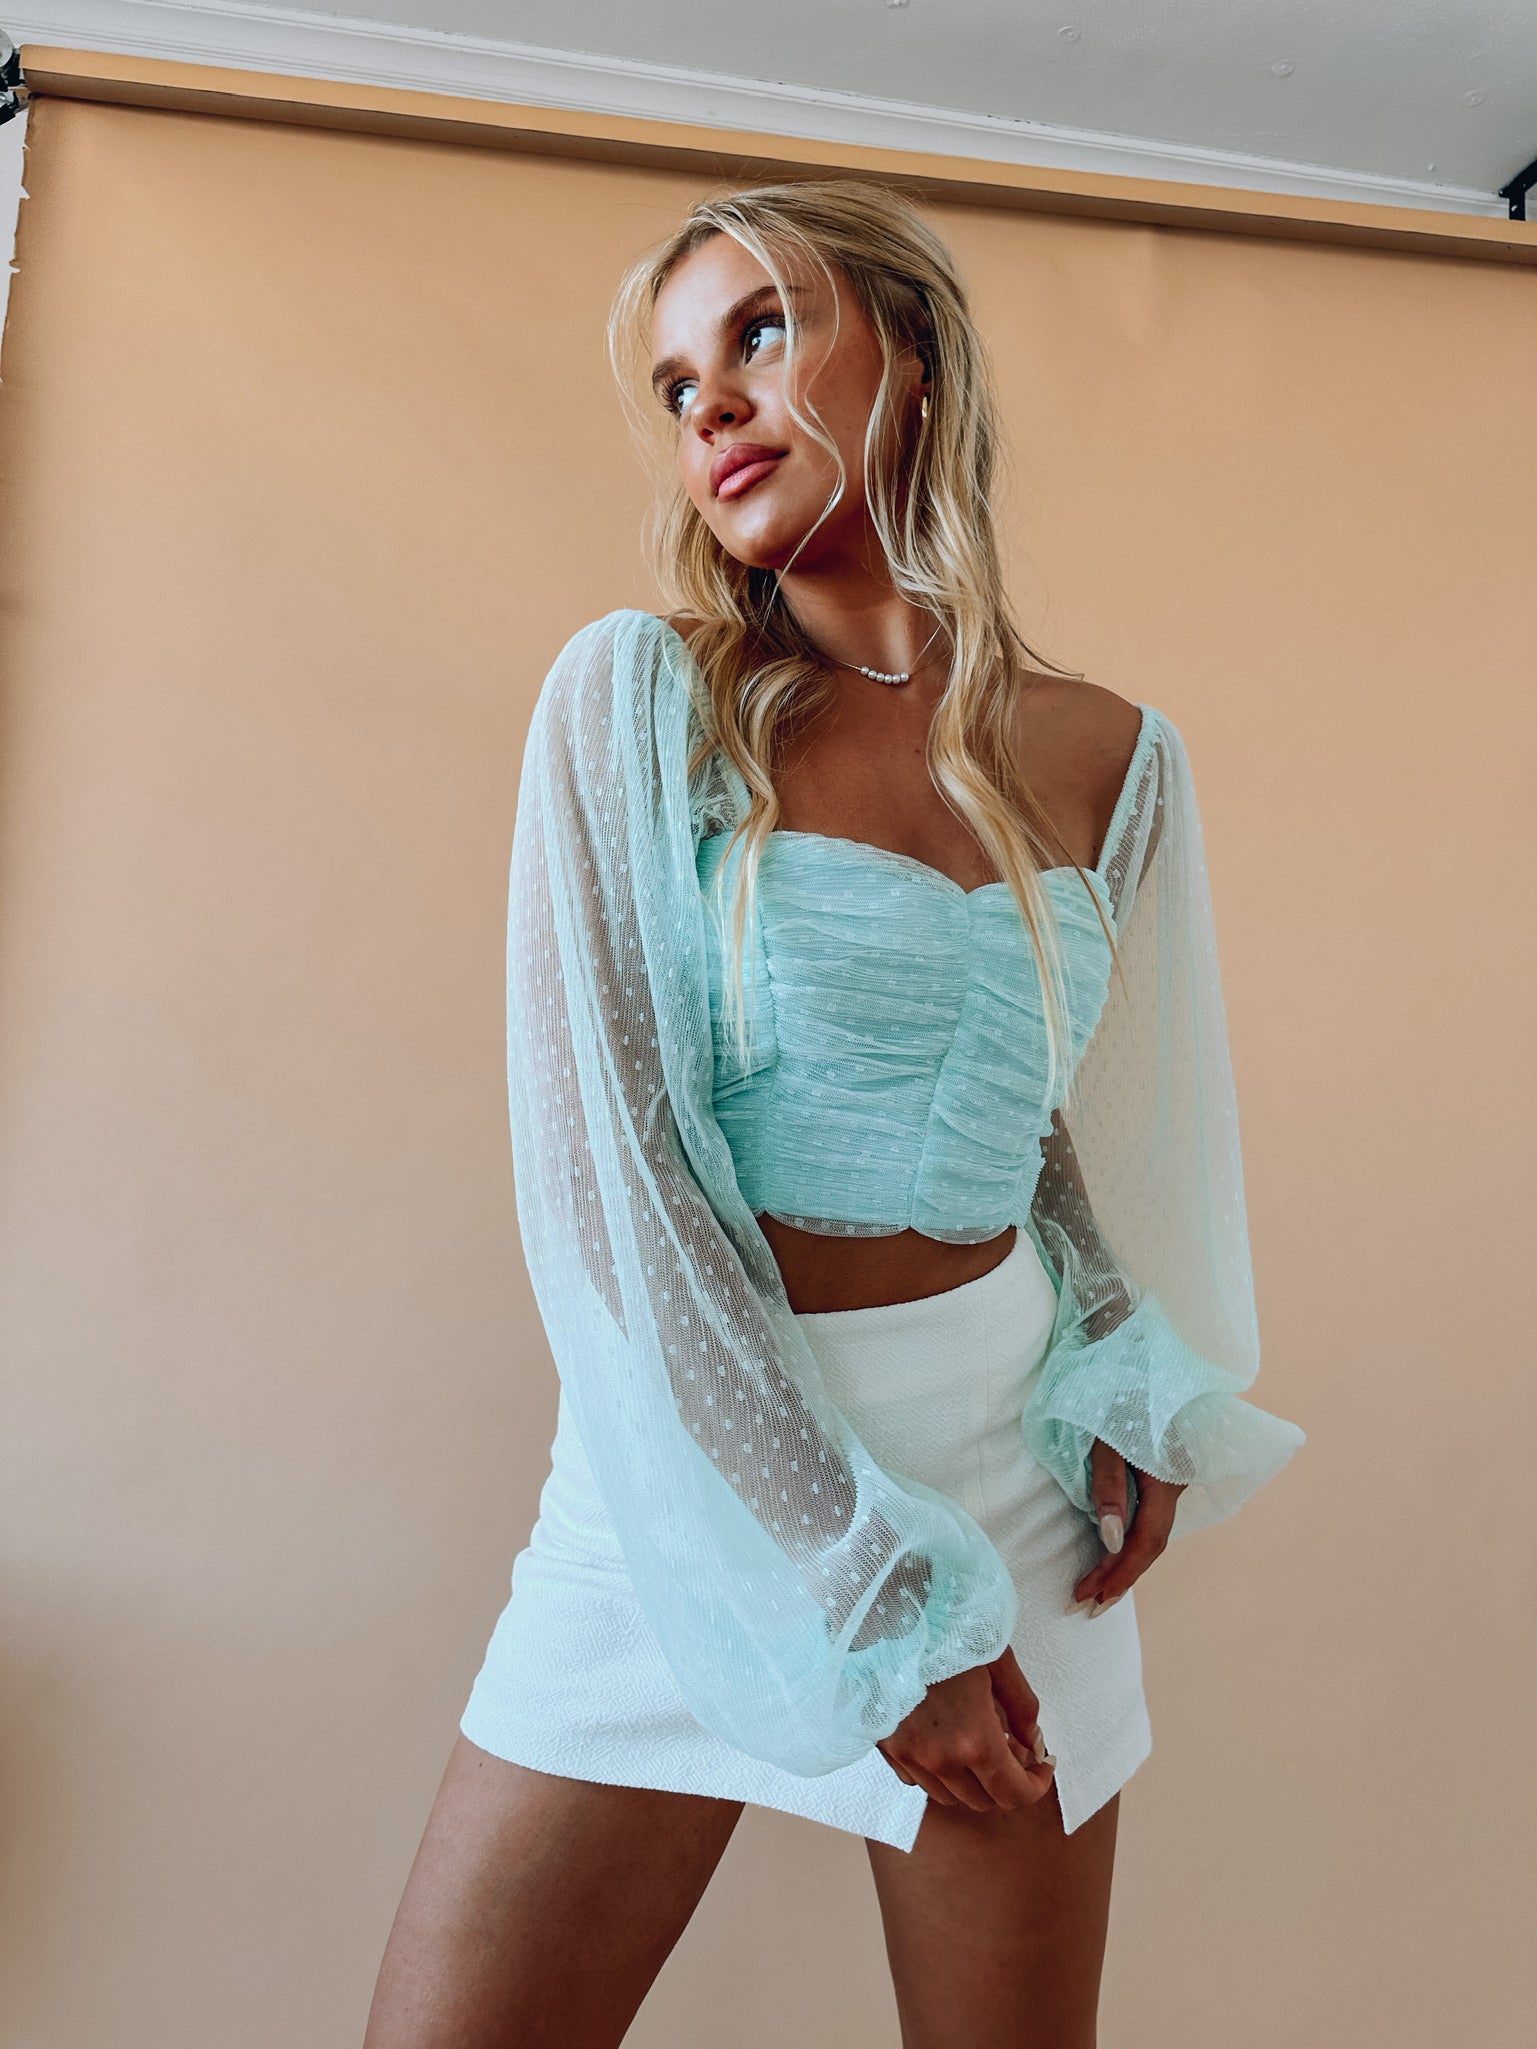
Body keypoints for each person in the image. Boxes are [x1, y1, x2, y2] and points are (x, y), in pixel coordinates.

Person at [363, 180, 1305, 2049]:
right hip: (699, 1472)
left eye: (762, 333)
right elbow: (616, 1180)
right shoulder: (639, 698)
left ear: (914, 353)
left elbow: (1040, 1119)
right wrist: (863, 1582)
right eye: (674, 382)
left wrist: (1123, 1358)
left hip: (1008, 1473)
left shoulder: (1113, 757)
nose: (709, 403)